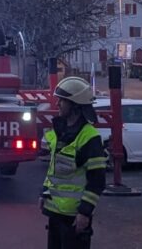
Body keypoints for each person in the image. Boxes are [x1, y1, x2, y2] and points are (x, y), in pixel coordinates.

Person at [41, 77, 108, 249]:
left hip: (75, 217)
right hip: (55, 213)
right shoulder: (60, 132)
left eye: (62, 100)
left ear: (75, 106)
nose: (57, 104)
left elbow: (97, 181)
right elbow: (55, 171)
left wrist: (84, 213)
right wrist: (44, 193)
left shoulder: (89, 137)